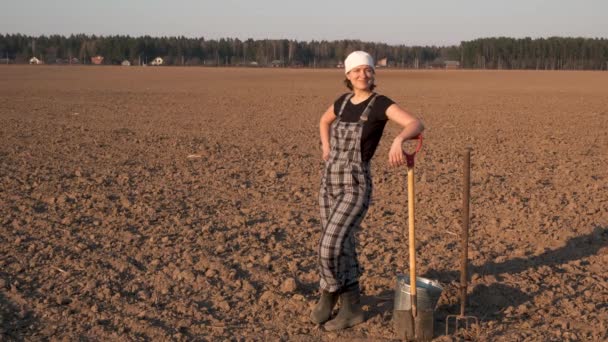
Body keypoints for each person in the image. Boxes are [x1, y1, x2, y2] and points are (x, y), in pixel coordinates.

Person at [311, 51, 425, 331]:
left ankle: (330, 290)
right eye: (357, 70)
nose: (363, 74)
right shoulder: (342, 102)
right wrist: (326, 147)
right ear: (348, 75)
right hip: (329, 181)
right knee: (344, 245)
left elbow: (416, 123)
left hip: (355, 183)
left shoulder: (380, 104)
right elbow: (323, 121)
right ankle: (351, 308)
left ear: (373, 74)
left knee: (329, 247)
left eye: (368, 70)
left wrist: (399, 139)